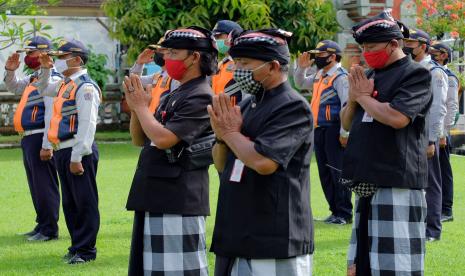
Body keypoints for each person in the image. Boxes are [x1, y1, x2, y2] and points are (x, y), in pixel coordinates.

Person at [209, 28, 314, 276]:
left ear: (273, 66)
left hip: (273, 231)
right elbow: (222, 165)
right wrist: (223, 137)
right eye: (236, 63)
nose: (237, 70)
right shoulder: (247, 104)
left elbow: (265, 162)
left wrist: (231, 133)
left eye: (245, 63)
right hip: (237, 228)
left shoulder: (292, 107)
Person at [341, 10, 432, 275]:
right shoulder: (369, 75)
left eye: (372, 46)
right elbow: (347, 122)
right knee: (365, 263)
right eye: (364, 47)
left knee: (396, 264)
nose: (366, 52)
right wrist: (356, 98)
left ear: (394, 44)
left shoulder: (415, 75)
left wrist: (364, 97)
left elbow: (398, 118)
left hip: (397, 178)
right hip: (367, 178)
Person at [123, 26, 217, 275]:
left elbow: (165, 139)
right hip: (156, 191)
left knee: (179, 269)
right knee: (153, 268)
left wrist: (142, 108)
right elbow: (139, 138)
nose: (167, 59)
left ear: (194, 57)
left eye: (174, 52)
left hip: (179, 196)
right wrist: (136, 107)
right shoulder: (174, 93)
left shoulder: (200, 95)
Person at [37, 39, 101, 264]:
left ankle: (86, 251)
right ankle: (76, 246)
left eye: (63, 58)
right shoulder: (65, 83)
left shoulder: (85, 87)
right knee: (71, 203)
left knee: (84, 201)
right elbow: (43, 88)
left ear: (77, 59)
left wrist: (77, 156)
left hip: (77, 150)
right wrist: (46, 68)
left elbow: (87, 124)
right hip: (62, 150)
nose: (60, 62)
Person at [4, 36, 61, 241]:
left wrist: (47, 144)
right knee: (36, 184)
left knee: (44, 184)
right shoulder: (34, 78)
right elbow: (13, 87)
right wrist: (10, 70)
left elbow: (50, 114)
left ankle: (49, 229)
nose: (27, 57)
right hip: (28, 138)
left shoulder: (52, 79)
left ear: (43, 54)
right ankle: (41, 224)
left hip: (39, 137)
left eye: (31, 53)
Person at [295, 40, 353, 225]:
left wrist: (345, 133)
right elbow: (300, 83)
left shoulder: (341, 77)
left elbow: (347, 105)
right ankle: (334, 210)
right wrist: (301, 68)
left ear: (333, 57)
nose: (317, 58)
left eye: (321, 55)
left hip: (334, 128)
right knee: (325, 172)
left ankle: (344, 212)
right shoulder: (320, 74)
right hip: (319, 129)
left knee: (338, 171)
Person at [404, 29, 448, 242]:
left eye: (411, 42)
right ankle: (418, 225)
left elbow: (438, 109)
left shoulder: (434, 72)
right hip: (409, 136)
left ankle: (432, 229)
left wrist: (432, 139)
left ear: (423, 46)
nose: (407, 45)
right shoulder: (411, 69)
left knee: (431, 183)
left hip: (425, 137)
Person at [429, 42, 459, 222]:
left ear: (445, 56)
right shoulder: (430, 72)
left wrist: (443, 133)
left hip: (441, 131)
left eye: (436, 53)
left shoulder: (449, 76)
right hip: (434, 128)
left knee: (443, 171)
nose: (433, 55)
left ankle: (446, 210)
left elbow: (452, 106)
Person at [211, 20, 244, 103]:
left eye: (218, 37)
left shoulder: (245, 65)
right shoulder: (221, 65)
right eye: (215, 38)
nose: (216, 41)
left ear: (232, 37)